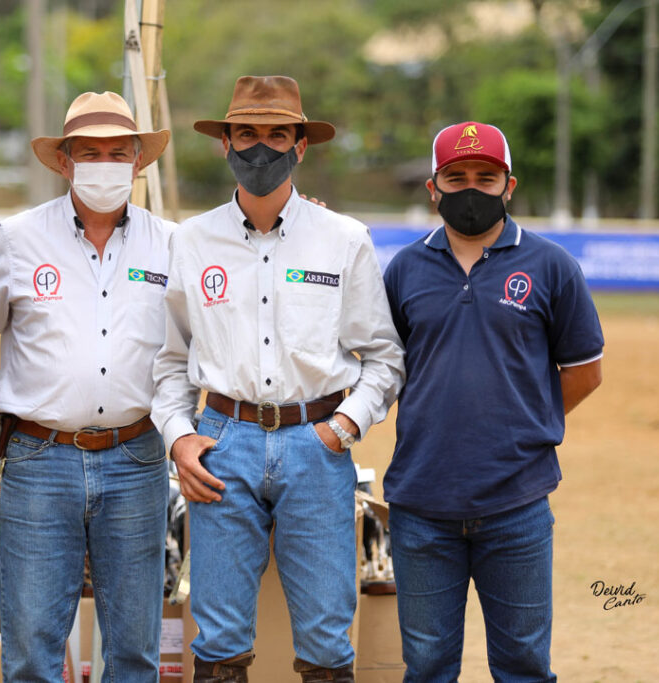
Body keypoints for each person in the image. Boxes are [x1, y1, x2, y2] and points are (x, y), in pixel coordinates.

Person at [151, 75, 406, 682]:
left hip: (315, 440)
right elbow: (169, 360)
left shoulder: (343, 239)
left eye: (275, 135)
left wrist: (342, 428)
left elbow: (384, 356)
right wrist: (179, 437)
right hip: (221, 442)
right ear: (225, 144)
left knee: (325, 636)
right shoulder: (191, 241)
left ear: (300, 145)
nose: (259, 148)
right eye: (246, 134)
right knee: (216, 636)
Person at [382, 121, 604, 681]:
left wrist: (526, 423)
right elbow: (383, 368)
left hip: (518, 503)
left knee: (524, 663)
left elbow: (584, 371)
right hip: (421, 503)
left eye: (487, 176)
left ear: (509, 184)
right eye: (455, 177)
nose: (471, 188)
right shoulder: (404, 270)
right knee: (428, 664)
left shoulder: (551, 265)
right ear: (433, 188)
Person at [0, 91, 174, 681]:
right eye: (89, 152)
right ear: (64, 162)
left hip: (137, 457)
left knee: (134, 649)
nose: (104, 164)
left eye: (116, 152)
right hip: (39, 454)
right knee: (32, 648)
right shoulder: (17, 239)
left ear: (138, 160)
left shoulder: (172, 245)